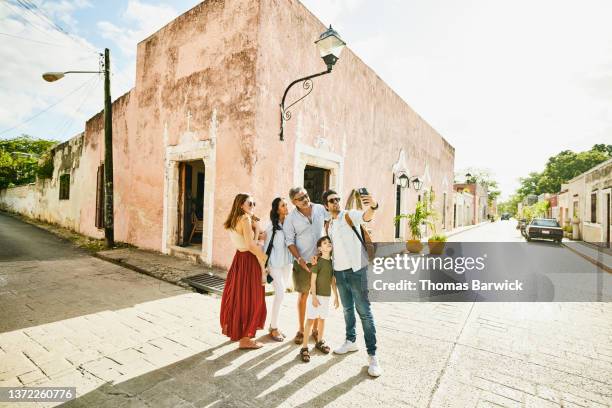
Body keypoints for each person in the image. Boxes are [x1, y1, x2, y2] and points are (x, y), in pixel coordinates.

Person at [322, 189, 382, 377]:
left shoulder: (349, 215)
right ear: (326, 205)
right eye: (332, 200)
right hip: (339, 273)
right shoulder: (329, 225)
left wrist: (373, 205)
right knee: (347, 309)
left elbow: (366, 216)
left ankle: (373, 356)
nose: (336, 202)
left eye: (338, 199)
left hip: (357, 270)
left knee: (364, 311)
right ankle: (351, 341)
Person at [219, 193, 268, 349]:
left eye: (254, 203)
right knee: (255, 299)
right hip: (248, 260)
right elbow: (250, 245)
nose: (253, 206)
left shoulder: (234, 219)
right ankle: (246, 338)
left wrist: (257, 229)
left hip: (239, 260)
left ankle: (240, 332)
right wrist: (264, 258)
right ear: (241, 205)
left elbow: (246, 241)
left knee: (240, 298)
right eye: (250, 204)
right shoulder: (245, 219)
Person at [283, 187, 327, 345]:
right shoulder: (291, 219)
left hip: (322, 261)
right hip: (303, 262)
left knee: (320, 295)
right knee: (303, 296)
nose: (305, 199)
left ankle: (315, 330)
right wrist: (300, 259)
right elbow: (289, 241)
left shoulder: (320, 209)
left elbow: (330, 220)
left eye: (306, 195)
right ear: (294, 202)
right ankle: (301, 329)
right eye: (300, 198)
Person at [299, 236, 339, 362]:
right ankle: (304, 347)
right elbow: (313, 280)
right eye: (325, 243)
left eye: (329, 242)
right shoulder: (318, 262)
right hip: (315, 296)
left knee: (322, 319)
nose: (328, 244)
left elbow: (333, 281)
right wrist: (314, 297)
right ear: (320, 248)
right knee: (310, 320)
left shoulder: (332, 263)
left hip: (326, 296)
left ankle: (320, 341)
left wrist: (336, 297)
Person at [263, 197, 294, 342]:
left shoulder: (289, 223)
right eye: (283, 205)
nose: (286, 207)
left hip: (287, 263)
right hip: (274, 265)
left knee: (282, 295)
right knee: (280, 294)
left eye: (286, 204)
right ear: (277, 209)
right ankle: (273, 328)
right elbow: (266, 248)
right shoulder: (271, 227)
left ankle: (275, 325)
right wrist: (266, 267)